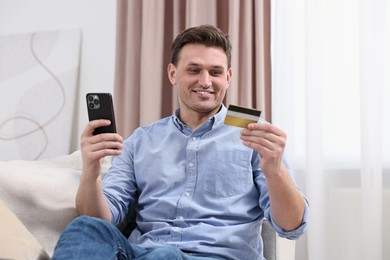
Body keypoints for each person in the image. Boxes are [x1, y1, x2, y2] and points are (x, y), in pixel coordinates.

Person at [52, 24, 308, 260]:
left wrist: (276, 171)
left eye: (215, 72)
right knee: (85, 227)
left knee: (164, 256)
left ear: (228, 77)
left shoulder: (255, 134)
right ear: (173, 73)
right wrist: (91, 171)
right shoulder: (142, 140)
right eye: (194, 70)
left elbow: (291, 226)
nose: (205, 81)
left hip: (217, 256)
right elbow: (103, 218)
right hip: (145, 252)